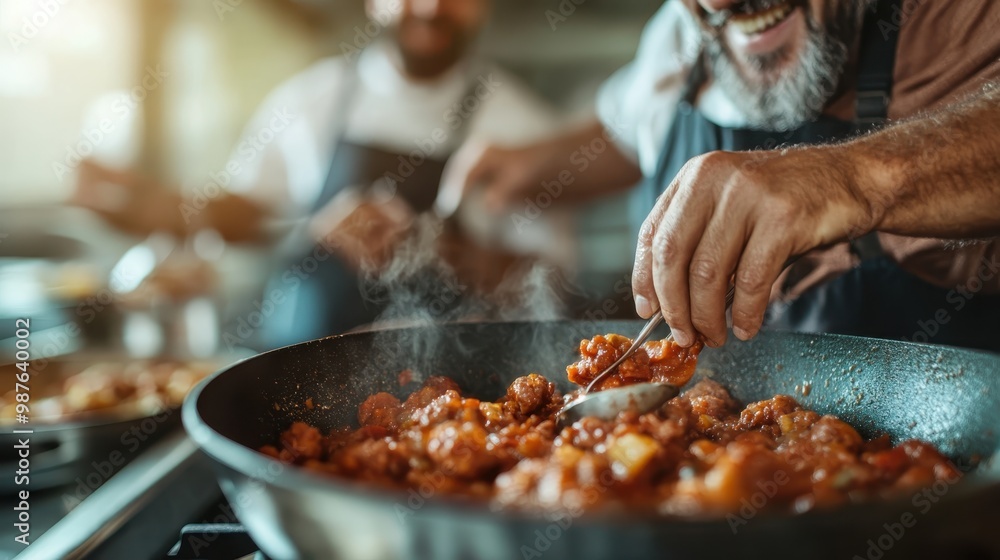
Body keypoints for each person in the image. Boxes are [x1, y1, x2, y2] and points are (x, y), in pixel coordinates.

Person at [444, 0, 1000, 352]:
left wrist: (848, 178)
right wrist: (522, 167)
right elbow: (627, 130)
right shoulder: (685, 32)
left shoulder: (956, 19)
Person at [74, 0, 571, 348]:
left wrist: (437, 249)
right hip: (297, 365)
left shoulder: (523, 125)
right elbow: (242, 214)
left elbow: (555, 280)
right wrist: (148, 204)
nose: (429, 5)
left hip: (456, 385)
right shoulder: (310, 98)